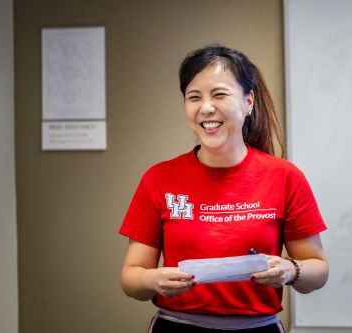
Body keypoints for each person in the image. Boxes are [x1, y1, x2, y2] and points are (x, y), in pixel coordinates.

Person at [119, 44, 329, 333]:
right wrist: (153, 281)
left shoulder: (285, 177)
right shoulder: (158, 178)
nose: (206, 108)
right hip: (177, 326)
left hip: (259, 327)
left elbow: (318, 270)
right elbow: (131, 278)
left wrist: (290, 270)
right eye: (194, 97)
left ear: (248, 102)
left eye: (219, 94)